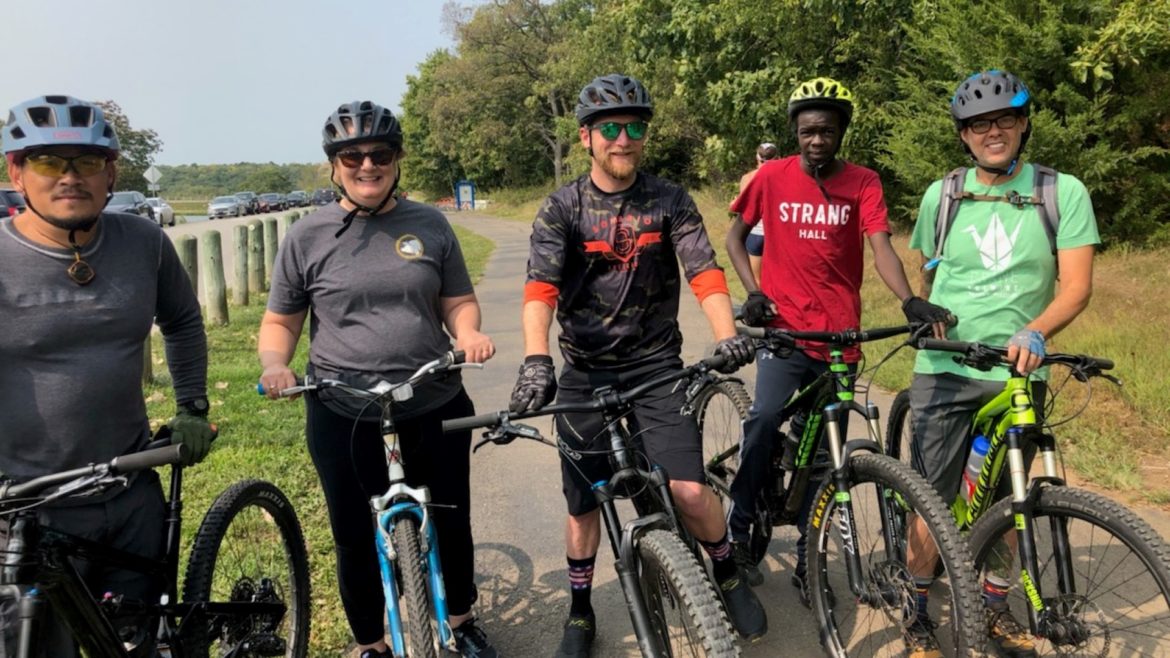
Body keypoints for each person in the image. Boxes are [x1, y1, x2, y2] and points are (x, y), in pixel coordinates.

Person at [509, 73, 766, 658]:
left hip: (656, 367)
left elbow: (704, 271)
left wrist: (726, 336)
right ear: (586, 137)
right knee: (584, 504)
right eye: (610, 129)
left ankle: (727, 573)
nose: (623, 139)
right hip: (585, 371)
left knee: (690, 491)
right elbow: (540, 290)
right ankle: (580, 611)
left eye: (634, 128)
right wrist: (535, 361)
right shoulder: (562, 207)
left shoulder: (669, 199)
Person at [257, 101, 498, 658]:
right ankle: (371, 643)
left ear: (396, 159)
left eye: (380, 154)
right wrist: (274, 363)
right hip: (343, 407)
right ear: (334, 166)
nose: (367, 165)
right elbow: (280, 321)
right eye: (352, 156)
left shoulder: (430, 224)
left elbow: (457, 301)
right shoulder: (307, 236)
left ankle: (461, 621)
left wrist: (467, 333)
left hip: (433, 398)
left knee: (451, 518)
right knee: (353, 534)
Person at [724, 77, 952, 606]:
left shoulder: (863, 182)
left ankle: (810, 556)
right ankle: (737, 528)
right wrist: (753, 292)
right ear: (795, 132)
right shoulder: (771, 177)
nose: (817, 140)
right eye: (807, 131)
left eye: (826, 131)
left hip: (838, 338)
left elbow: (881, 247)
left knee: (826, 456)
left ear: (841, 132)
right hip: (785, 332)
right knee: (763, 421)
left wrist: (908, 301)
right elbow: (735, 237)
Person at [0, 95, 213, 656]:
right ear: (16, 172)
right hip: (30, 504)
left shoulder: (143, 242)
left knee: (135, 642)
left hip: (130, 487)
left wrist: (192, 405)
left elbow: (183, 321)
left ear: (111, 174)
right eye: (48, 161)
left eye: (87, 162)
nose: (69, 176)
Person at [904, 70, 1099, 658]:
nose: (993, 132)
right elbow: (928, 271)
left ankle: (992, 608)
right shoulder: (943, 194)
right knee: (933, 499)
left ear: (1023, 124)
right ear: (963, 135)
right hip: (946, 367)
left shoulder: (1062, 192)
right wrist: (928, 309)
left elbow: (1077, 286)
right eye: (978, 124)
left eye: (1004, 119)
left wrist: (1036, 330)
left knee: (1007, 503)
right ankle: (916, 608)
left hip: (1017, 373)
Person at [733, 142, 779, 286]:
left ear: (757, 158)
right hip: (776, 235)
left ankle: (760, 301)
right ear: (778, 158)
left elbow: (742, 208)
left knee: (756, 280)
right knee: (777, 280)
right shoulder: (784, 178)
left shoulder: (747, 178)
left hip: (755, 233)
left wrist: (733, 204)